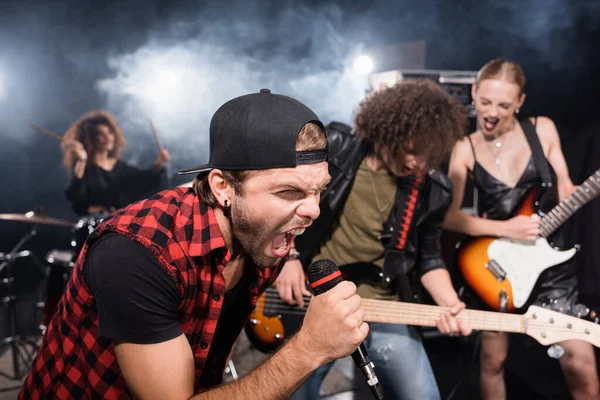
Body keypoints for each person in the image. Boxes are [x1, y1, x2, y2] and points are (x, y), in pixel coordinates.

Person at [19, 89, 369, 399]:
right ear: (223, 188)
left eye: (318, 189)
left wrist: (291, 254)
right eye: (288, 192)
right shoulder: (137, 254)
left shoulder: (261, 233)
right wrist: (308, 349)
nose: (313, 210)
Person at [277, 79, 472, 400]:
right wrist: (290, 257)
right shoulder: (337, 148)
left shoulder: (432, 190)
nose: (417, 164)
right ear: (387, 131)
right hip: (317, 304)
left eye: (426, 156)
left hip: (383, 310)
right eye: (410, 150)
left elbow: (430, 258)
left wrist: (451, 305)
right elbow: (284, 201)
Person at [443, 59, 599, 400]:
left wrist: (577, 194)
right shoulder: (464, 148)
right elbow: (450, 218)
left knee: (580, 363)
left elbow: (567, 188)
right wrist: (505, 228)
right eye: (484, 101)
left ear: (520, 102)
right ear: (473, 92)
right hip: (496, 268)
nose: (491, 112)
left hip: (553, 268)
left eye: (503, 105)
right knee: (493, 361)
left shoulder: (541, 128)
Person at [61, 110, 171, 216]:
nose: (108, 137)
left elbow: (143, 180)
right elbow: (75, 197)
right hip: (97, 228)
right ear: (90, 139)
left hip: (121, 224)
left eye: (109, 132)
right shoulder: (84, 167)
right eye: (101, 134)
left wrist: (159, 163)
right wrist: (81, 161)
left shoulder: (119, 166)